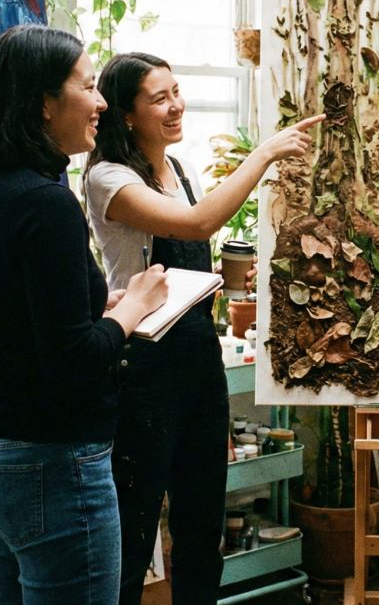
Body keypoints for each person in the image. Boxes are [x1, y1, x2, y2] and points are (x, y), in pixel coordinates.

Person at [83, 52, 323, 605]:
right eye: (159, 99)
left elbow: (192, 252)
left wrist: (224, 278)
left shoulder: (179, 170)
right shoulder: (108, 178)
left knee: (201, 524)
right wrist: (264, 154)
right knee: (134, 527)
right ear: (125, 114)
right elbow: (197, 223)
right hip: (143, 366)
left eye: (176, 91)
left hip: (198, 359)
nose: (176, 106)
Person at [0, 26, 168, 604]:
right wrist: (134, 308)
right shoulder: (47, 203)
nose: (101, 103)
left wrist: (100, 306)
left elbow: (14, 320)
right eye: (88, 87)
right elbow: (74, 360)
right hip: (52, 462)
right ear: (44, 102)